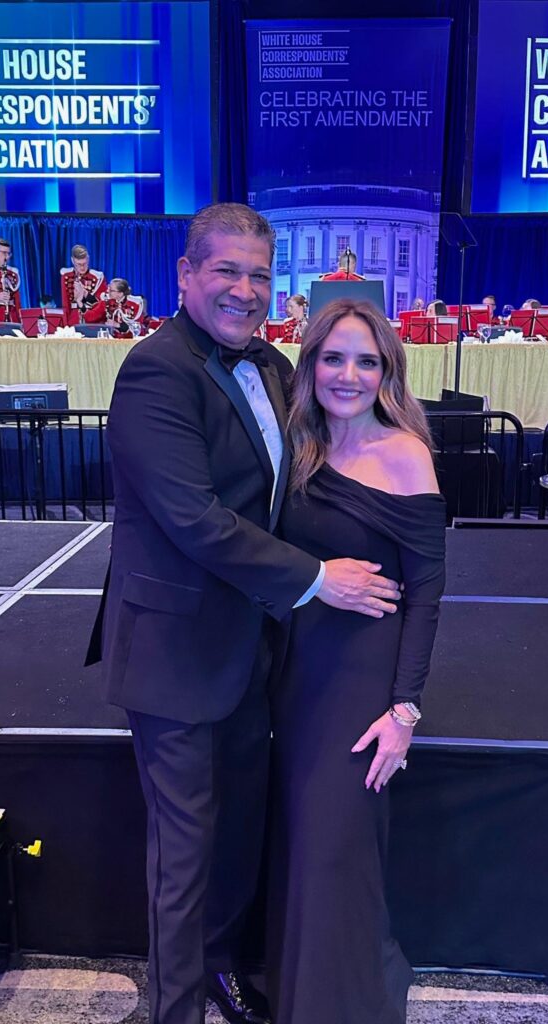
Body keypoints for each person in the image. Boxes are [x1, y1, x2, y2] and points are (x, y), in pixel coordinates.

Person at [88, 202, 401, 1024]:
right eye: (226, 270)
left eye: (259, 274)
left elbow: (311, 459)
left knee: (235, 842)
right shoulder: (156, 370)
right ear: (185, 275)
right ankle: (177, 1012)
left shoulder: (267, 364)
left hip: (252, 652)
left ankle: (224, 971)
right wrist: (317, 579)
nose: (244, 289)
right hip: (176, 655)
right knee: (185, 856)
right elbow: (195, 519)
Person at [267, 298, 446, 1024]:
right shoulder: (298, 447)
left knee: (331, 843)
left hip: (362, 680)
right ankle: (299, 992)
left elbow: (428, 595)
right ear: (310, 365)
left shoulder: (405, 453)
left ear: (387, 372)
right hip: (296, 673)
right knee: (302, 839)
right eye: (334, 357)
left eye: (366, 360)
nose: (349, 374)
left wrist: (404, 710)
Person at [60, 243, 107, 325]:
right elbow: (65, 304)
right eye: (79, 264)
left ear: (88, 259)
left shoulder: (97, 277)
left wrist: (85, 294)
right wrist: (65, 324)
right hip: (73, 319)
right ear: (72, 260)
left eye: (84, 264)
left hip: (92, 320)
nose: (82, 267)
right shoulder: (66, 276)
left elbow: (101, 304)